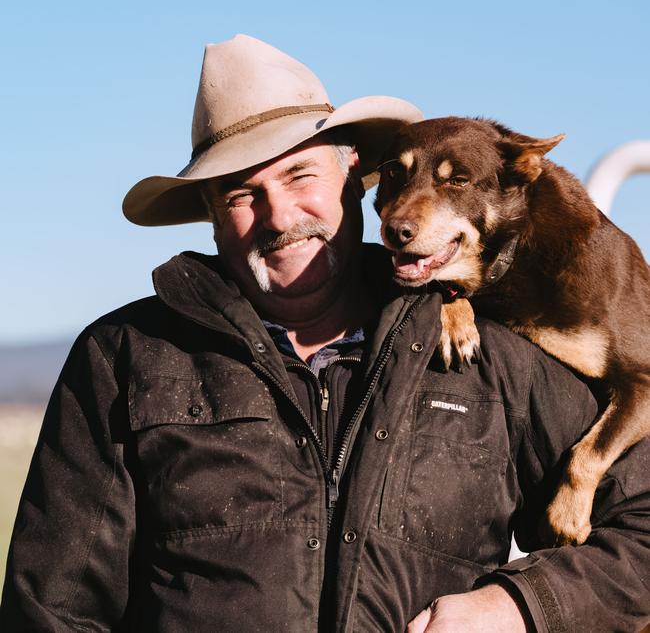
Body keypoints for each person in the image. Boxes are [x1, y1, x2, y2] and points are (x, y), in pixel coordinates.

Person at [1, 34, 649, 633]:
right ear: (208, 214)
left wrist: (519, 607)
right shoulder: (125, 356)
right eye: (239, 192)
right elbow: (52, 610)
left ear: (354, 178)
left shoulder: (493, 348)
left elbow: (642, 536)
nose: (279, 215)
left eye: (300, 176)